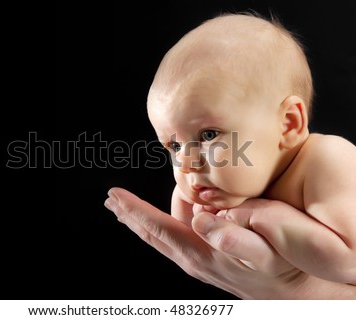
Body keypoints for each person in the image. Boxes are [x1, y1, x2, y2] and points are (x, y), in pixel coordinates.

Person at [105, 12, 356, 298]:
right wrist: (193, 216)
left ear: (288, 124)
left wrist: (272, 220)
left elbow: (350, 261)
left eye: (209, 135)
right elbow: (196, 239)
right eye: (174, 146)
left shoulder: (326, 161)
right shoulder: (228, 183)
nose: (186, 163)